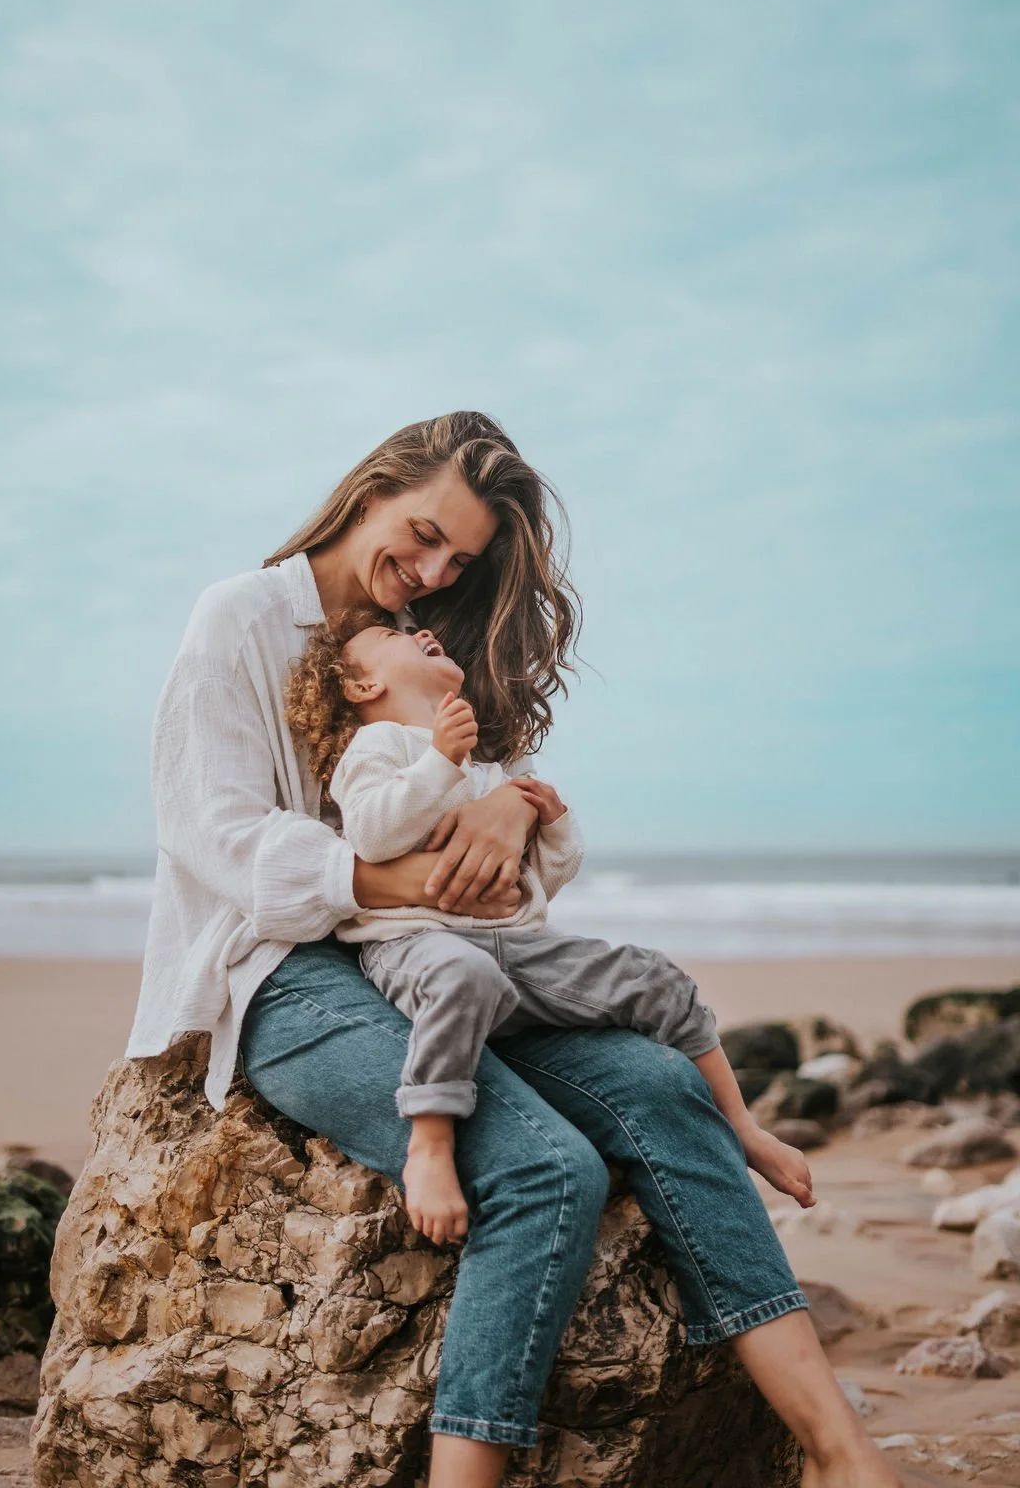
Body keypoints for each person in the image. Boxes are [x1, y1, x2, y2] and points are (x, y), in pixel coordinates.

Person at [127, 411, 901, 1488]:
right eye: (424, 532)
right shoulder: (241, 618)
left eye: (461, 559)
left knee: (663, 1087)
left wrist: (515, 813)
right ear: (372, 487)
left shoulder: (436, 641)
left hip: (448, 950)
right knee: (543, 1166)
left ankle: (840, 1455)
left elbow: (502, 806)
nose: (433, 569)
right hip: (285, 970)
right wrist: (390, 877)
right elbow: (211, 836)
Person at [284, 612, 815, 1248]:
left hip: (517, 949)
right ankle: (429, 1144)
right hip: (414, 944)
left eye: (426, 630)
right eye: (397, 637)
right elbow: (372, 834)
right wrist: (437, 762)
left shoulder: (486, 769)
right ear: (362, 687)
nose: (424, 632)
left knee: (656, 977)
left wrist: (552, 824)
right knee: (464, 976)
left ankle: (744, 1128)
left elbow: (541, 879)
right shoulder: (379, 749)